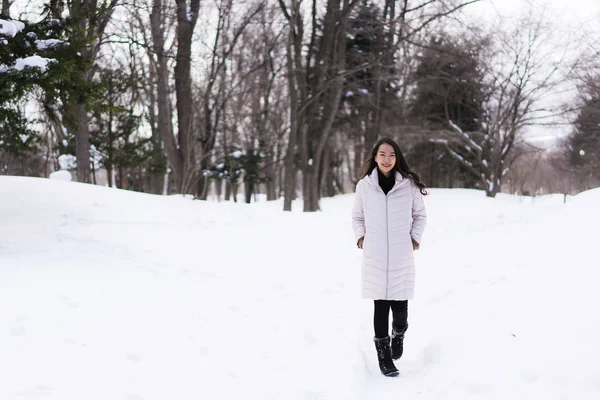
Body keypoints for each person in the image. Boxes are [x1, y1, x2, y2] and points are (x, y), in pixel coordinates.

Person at [351, 138, 428, 377]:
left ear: (397, 159)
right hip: (374, 255)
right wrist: (361, 238)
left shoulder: (409, 186)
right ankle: (384, 358)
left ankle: (399, 332)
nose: (387, 159)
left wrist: (414, 239)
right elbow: (357, 217)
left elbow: (420, 215)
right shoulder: (365, 186)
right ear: (375, 157)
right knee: (380, 305)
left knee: (400, 308)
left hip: (400, 254)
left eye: (391, 155)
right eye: (382, 154)